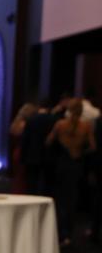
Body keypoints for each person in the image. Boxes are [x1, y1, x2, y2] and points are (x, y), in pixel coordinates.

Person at [47, 97, 96, 245]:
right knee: (72, 199)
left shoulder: (60, 124)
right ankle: (69, 232)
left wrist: (62, 148)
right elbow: (93, 147)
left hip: (63, 163)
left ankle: (62, 233)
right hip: (76, 164)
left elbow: (48, 142)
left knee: (61, 199)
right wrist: (80, 151)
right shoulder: (85, 126)